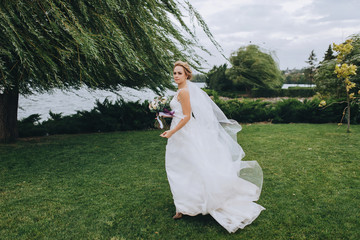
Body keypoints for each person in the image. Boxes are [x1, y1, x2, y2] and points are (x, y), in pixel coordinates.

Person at [160, 61, 265, 233]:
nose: (176, 76)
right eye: (174, 73)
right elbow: (178, 112)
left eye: (179, 73)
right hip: (178, 132)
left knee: (189, 168)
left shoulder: (185, 91)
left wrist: (171, 132)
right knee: (179, 168)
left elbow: (186, 117)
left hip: (184, 133)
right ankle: (182, 204)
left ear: (187, 74)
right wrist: (165, 113)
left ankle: (189, 204)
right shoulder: (179, 91)